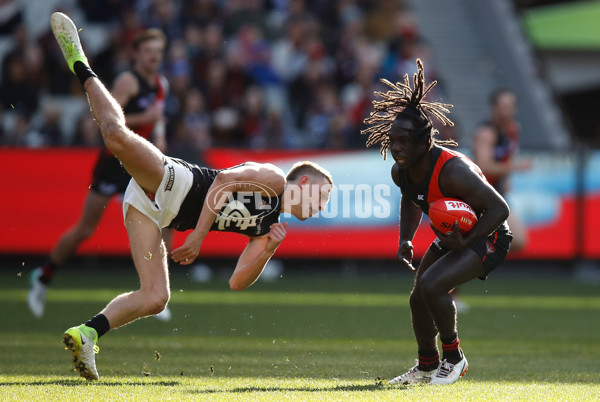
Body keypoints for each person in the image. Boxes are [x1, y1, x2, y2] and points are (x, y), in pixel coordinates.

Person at [49, 12, 333, 381]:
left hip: (154, 211)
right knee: (116, 138)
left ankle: (85, 334)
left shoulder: (271, 227)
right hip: (175, 182)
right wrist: (198, 236)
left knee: (156, 298)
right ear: (305, 183)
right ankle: (81, 65)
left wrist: (267, 251)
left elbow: (237, 282)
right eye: (321, 198)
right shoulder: (276, 179)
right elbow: (223, 182)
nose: (320, 208)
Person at [361, 59, 512, 385]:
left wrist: (468, 241)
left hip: (490, 237)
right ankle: (427, 366)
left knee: (433, 286)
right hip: (456, 236)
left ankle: (454, 359)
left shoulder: (454, 171)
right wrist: (406, 239)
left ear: (424, 142)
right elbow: (411, 198)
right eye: (393, 140)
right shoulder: (401, 170)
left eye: (404, 141)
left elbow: (500, 209)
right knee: (419, 297)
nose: (396, 147)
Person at [28, 27, 174, 321]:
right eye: (149, 52)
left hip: (140, 165)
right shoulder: (127, 82)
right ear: (137, 54)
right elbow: (107, 120)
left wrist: (159, 135)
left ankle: (156, 288)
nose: (154, 57)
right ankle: (43, 276)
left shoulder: (161, 84)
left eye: (158, 52)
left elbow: (158, 119)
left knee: (166, 219)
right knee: (85, 229)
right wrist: (144, 120)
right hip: (113, 162)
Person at [473, 88, 532, 252]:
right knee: (513, 238)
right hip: (480, 193)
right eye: (503, 106)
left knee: (518, 240)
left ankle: (475, 250)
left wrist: (506, 179)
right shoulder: (486, 132)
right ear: (494, 108)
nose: (507, 111)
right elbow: (482, 165)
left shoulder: (513, 129)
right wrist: (516, 168)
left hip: (498, 191)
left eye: (510, 106)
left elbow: (508, 155)